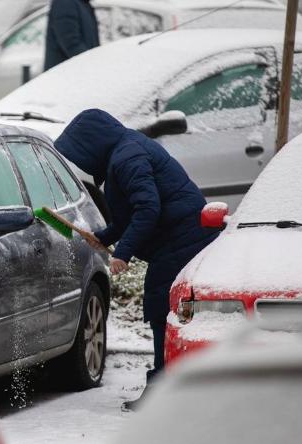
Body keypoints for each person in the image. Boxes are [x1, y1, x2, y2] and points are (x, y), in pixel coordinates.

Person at [54, 109, 219, 411]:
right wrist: (105, 237)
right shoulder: (125, 151)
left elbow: (147, 210)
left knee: (161, 308)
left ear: (91, 145)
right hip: (178, 237)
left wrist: (123, 253)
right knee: (167, 309)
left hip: (184, 239)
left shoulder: (127, 157)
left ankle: (163, 390)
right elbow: (131, 215)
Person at [44, 0, 100, 71]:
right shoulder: (65, 3)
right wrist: (91, 64)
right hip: (65, 74)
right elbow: (71, 43)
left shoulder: (83, 4)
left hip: (75, 71)